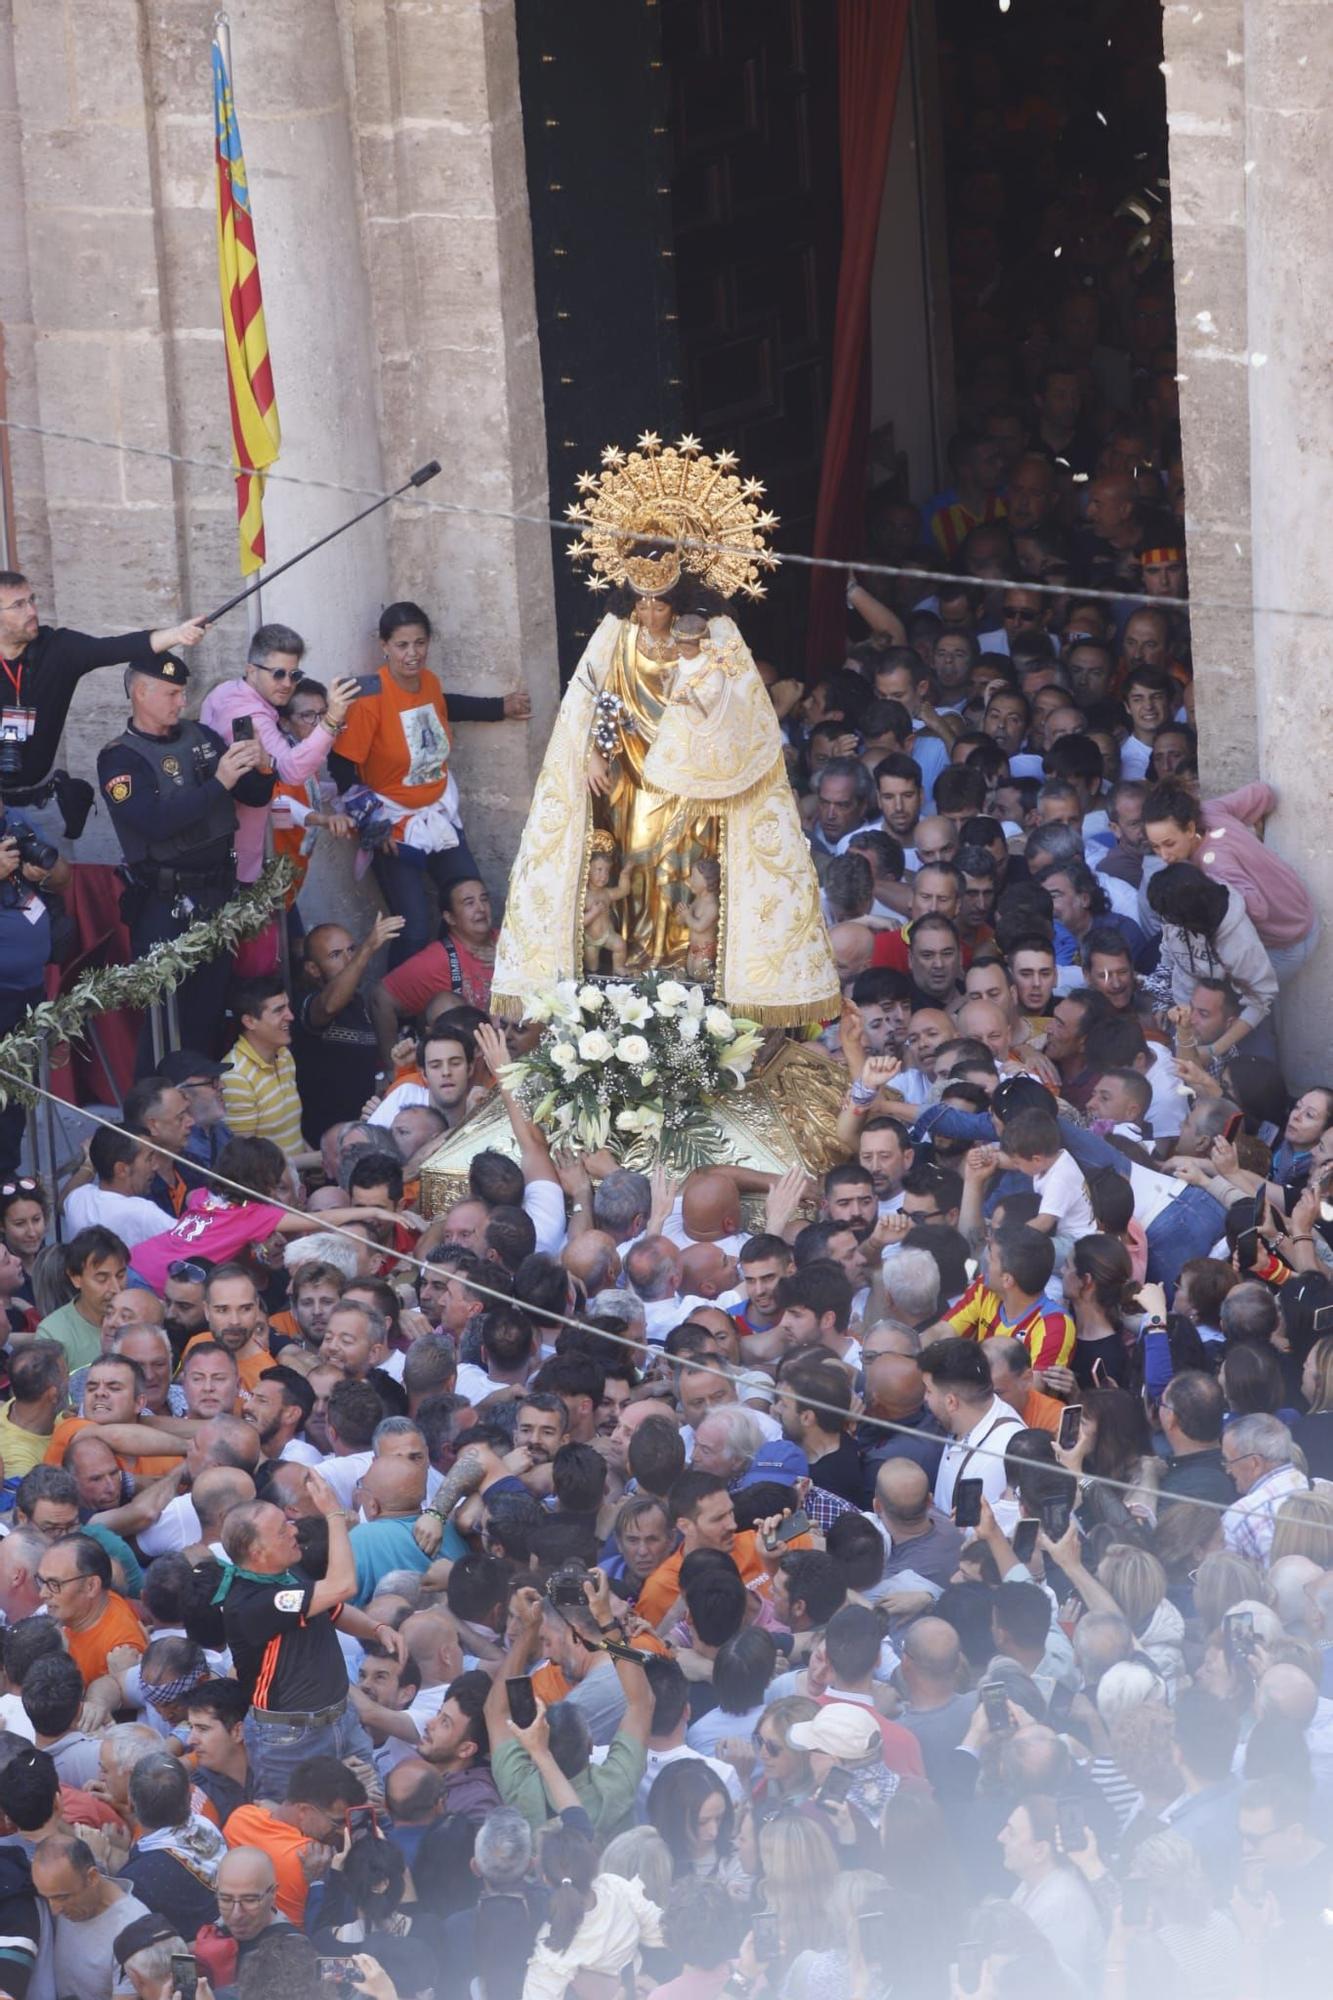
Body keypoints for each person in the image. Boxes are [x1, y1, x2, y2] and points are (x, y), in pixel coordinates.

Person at [493, 439, 838, 1022]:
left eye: (660, 603)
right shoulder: (617, 632)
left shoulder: (713, 633)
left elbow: (739, 704)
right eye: (642, 602)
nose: (650, 614)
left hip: (696, 777)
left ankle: (687, 963)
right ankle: (637, 963)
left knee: (685, 866)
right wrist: (595, 755)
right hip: (629, 774)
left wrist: (700, 674)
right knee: (637, 861)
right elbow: (592, 697)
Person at [335, 600, 531, 964]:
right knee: (414, 927)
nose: (413, 654)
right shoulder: (369, 696)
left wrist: (498, 707)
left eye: (420, 643)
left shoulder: (429, 681)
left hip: (438, 811)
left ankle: (461, 989)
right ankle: (401, 1009)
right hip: (394, 824)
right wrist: (374, 823)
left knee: (471, 905)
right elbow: (342, 764)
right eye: (402, 645)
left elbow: (443, 703)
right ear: (384, 646)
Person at [98, 652, 273, 1054]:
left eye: (184, 693)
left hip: (216, 897)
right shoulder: (120, 758)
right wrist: (219, 783)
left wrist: (262, 766)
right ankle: (153, 1112)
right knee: (163, 1024)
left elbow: (252, 795)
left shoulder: (203, 738)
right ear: (141, 693)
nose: (182, 702)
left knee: (208, 1011)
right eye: (173, 693)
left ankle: (199, 1107)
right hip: (165, 904)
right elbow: (154, 822)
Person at [213, 1474, 389, 1792]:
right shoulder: (252, 1602)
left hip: (342, 1718)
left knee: (371, 1808)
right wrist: (334, 1515)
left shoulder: (286, 1571)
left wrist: (377, 1630)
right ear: (256, 1551)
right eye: (282, 1531)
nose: (294, 1531)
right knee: (301, 1828)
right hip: (291, 1742)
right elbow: (343, 1586)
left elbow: (333, 1607)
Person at [198, 623, 361, 886]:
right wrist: (331, 720)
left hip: (237, 852)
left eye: (293, 674)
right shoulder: (248, 713)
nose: (287, 684)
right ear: (251, 670)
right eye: (278, 674)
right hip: (232, 861)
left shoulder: (228, 690)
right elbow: (290, 772)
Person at [30, 1834, 153, 2000]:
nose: (54, 1910)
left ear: (92, 1877)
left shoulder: (134, 1931)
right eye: (47, 1897)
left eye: (63, 1897)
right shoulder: (65, 1891)